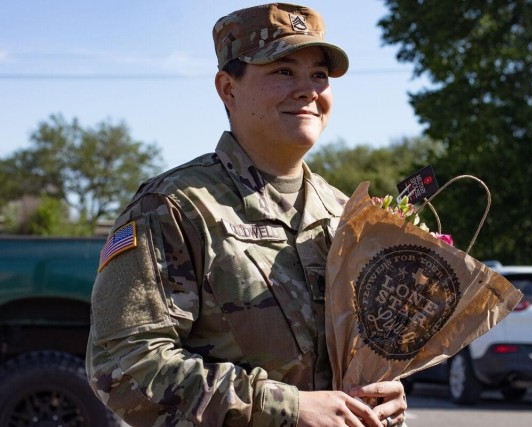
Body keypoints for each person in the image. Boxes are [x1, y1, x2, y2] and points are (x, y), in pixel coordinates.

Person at [86, 3, 407, 426]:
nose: (307, 89)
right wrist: (284, 408)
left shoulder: (344, 214)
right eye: (282, 71)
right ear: (228, 88)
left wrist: (386, 393)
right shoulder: (174, 206)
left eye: (319, 75)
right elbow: (123, 365)